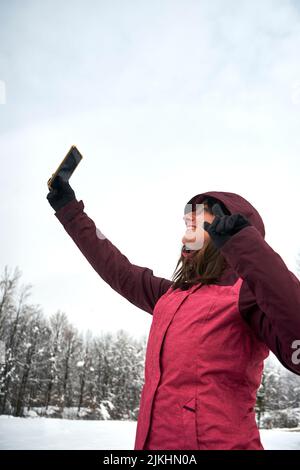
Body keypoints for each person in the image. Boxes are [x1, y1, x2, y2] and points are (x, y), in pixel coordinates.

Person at [47, 176, 300, 450]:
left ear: (224, 225)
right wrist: (70, 210)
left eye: (193, 226)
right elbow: (115, 268)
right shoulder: (169, 297)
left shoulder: (245, 295)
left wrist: (247, 247)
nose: (183, 237)